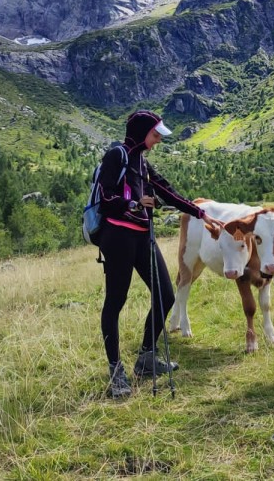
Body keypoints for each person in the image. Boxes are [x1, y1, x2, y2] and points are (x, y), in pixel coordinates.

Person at [95, 110, 225, 398]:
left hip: (142, 236)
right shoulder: (117, 155)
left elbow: (167, 191)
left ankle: (145, 359)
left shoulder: (142, 162)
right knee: (115, 302)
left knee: (166, 295)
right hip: (117, 237)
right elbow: (105, 199)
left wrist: (202, 214)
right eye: (155, 135)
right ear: (141, 132)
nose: (157, 141)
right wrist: (134, 203)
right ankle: (116, 371)